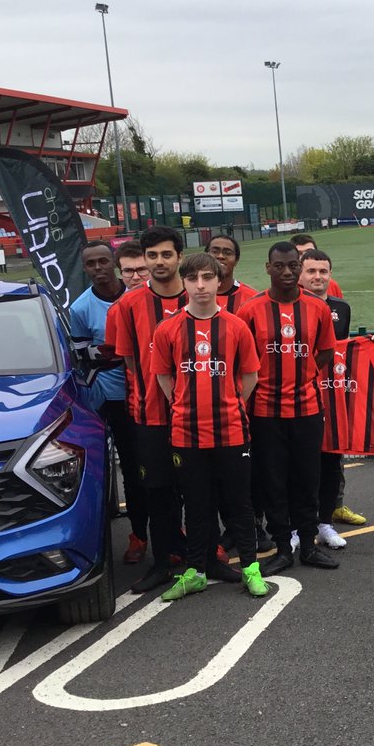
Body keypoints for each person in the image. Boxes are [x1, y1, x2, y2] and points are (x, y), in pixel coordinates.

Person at [150, 252, 267, 601]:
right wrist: (185, 404)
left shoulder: (235, 326)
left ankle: (250, 568)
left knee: (240, 505)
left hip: (231, 431)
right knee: (196, 506)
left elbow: (250, 376)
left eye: (207, 277)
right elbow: (163, 376)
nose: (200, 286)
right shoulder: (169, 328)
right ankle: (196, 571)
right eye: (192, 279)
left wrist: (229, 401)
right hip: (186, 433)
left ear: (219, 280)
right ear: (184, 283)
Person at [237, 241, 340, 572]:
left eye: (293, 266)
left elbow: (324, 353)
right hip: (265, 412)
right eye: (279, 266)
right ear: (267, 268)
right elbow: (244, 363)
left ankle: (308, 545)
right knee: (274, 481)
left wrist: (303, 374)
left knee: (307, 479)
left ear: (300, 267)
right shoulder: (250, 311)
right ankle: (283, 547)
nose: (287, 272)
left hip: (307, 409)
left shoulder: (317, 308)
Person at [107, 226, 190, 593]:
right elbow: (126, 358)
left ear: (179, 257)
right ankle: (163, 561)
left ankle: (202, 555)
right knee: (156, 489)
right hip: (150, 415)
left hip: (196, 415)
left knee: (200, 487)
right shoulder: (127, 306)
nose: (159, 262)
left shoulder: (200, 297)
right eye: (152, 256)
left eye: (166, 255)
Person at [69, 241, 148, 566]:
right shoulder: (80, 308)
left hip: (149, 395)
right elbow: (81, 353)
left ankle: (165, 533)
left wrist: (113, 351)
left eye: (104, 261)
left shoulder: (139, 299)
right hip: (109, 399)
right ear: (85, 268)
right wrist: (114, 353)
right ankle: (137, 533)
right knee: (119, 468)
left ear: (114, 263)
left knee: (151, 469)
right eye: (91, 264)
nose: (99, 268)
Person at [299, 248, 355, 549]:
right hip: (298, 398)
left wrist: (366, 343)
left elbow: (343, 349)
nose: (317, 277)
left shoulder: (341, 308)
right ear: (300, 274)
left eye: (323, 271)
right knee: (299, 466)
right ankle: (297, 526)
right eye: (311, 271)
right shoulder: (290, 307)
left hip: (332, 399)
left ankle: (324, 523)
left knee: (331, 462)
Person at [206, 234, 259, 313]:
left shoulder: (252, 298)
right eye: (214, 251)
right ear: (205, 256)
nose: (220, 256)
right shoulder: (189, 296)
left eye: (227, 253)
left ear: (236, 261)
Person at [291, 234, 343, 298]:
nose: (303, 257)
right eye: (299, 254)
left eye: (309, 252)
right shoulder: (286, 289)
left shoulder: (331, 285)